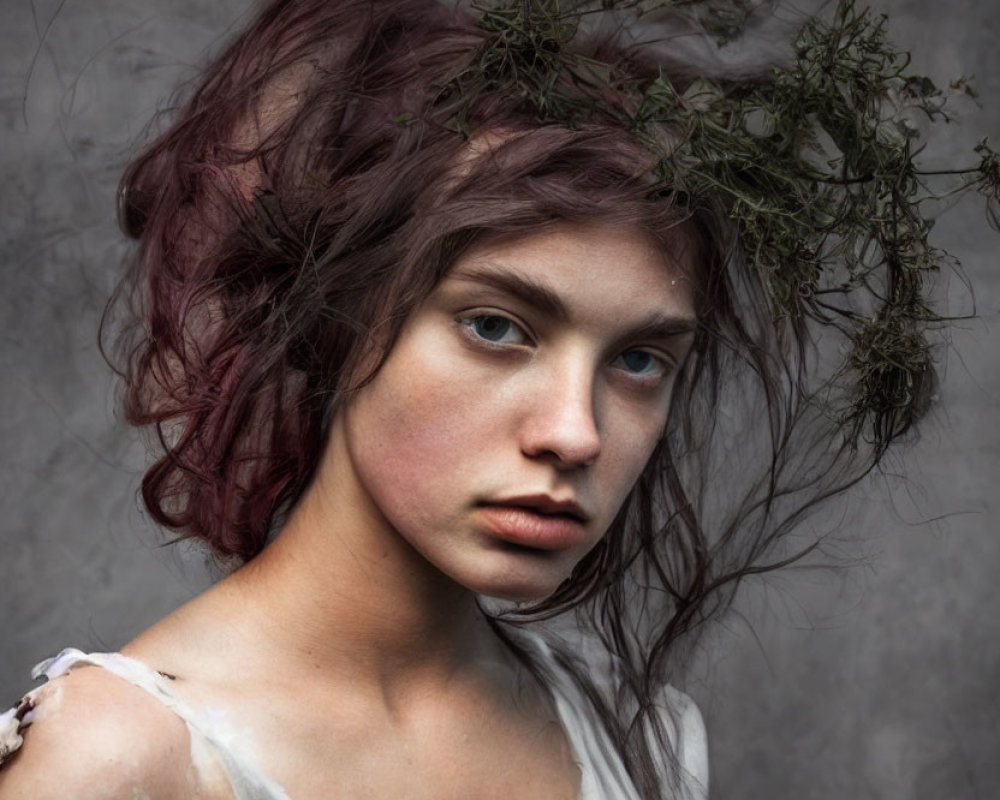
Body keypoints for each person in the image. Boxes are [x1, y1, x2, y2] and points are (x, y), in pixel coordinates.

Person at [0, 0, 993, 798]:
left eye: (639, 359)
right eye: (496, 326)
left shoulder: (638, 733)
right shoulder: (121, 759)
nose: (574, 432)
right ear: (336, 322)